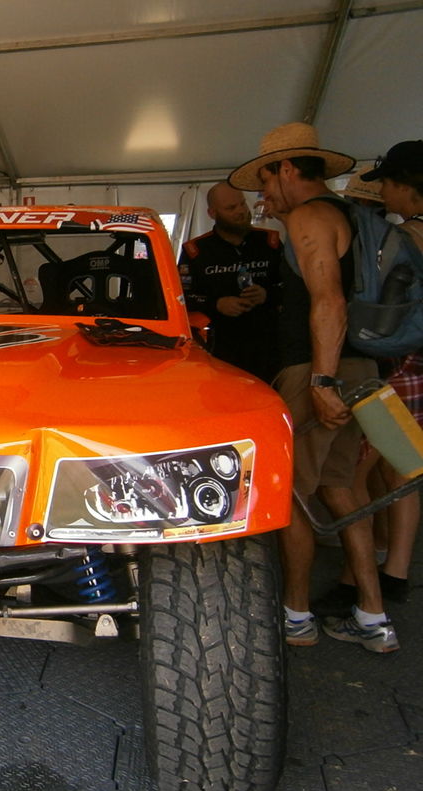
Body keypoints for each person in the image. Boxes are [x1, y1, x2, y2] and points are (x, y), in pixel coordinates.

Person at [229, 122, 398, 653]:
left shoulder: (310, 216)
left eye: (265, 180)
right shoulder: (353, 215)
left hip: (318, 369)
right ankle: (373, 617)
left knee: (291, 493)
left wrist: (321, 381)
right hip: (358, 366)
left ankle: (296, 615)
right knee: (341, 487)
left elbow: (329, 300)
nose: (264, 194)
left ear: (286, 169)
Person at [345, 140, 423, 603]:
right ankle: (395, 569)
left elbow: (383, 309)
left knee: (354, 472)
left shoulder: (407, 236)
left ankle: (358, 577)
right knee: (405, 468)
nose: (384, 196)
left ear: (406, 186)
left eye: (387, 186)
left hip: (403, 363)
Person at [179, 182, 283, 381]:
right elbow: (181, 297)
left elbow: (293, 289)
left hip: (269, 346)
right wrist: (217, 304)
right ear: (212, 213)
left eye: (242, 204)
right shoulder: (196, 251)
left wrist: (266, 294)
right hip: (219, 348)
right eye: (231, 208)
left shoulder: (270, 242)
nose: (241, 211)